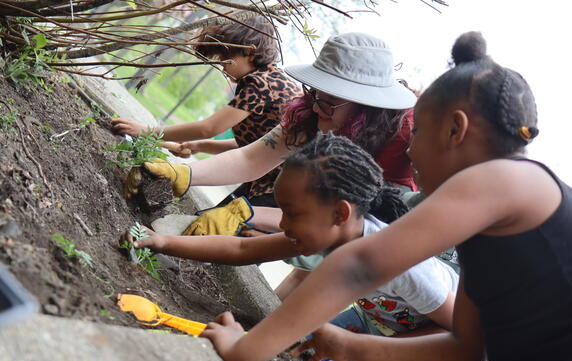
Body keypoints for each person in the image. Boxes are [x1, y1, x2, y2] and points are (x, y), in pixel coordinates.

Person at [199, 31, 572, 361]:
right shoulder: (490, 230)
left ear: (455, 130)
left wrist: (245, 351)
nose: (410, 145)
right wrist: (347, 347)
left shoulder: (503, 178)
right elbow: (465, 352)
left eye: (420, 130)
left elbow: (360, 263)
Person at [125, 133, 495, 361]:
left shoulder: (407, 265)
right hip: (378, 322)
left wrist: (361, 350)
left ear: (341, 214)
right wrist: (161, 243)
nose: (282, 223)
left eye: (292, 213)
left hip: (448, 358)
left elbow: (459, 335)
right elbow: (243, 248)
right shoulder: (329, 233)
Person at [123, 32, 418, 232]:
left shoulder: (403, 140)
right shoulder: (310, 111)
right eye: (314, 94)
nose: (316, 108)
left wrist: (253, 217)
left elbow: (340, 221)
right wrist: (183, 173)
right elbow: (251, 160)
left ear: (365, 105)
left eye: (328, 102)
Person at [112, 16, 302, 207]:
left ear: (250, 53)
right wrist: (200, 146)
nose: (221, 65)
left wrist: (147, 132)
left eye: (226, 59)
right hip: (271, 179)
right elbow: (257, 145)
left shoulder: (261, 84)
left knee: (223, 226)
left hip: (283, 187)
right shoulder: (272, 79)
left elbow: (209, 127)